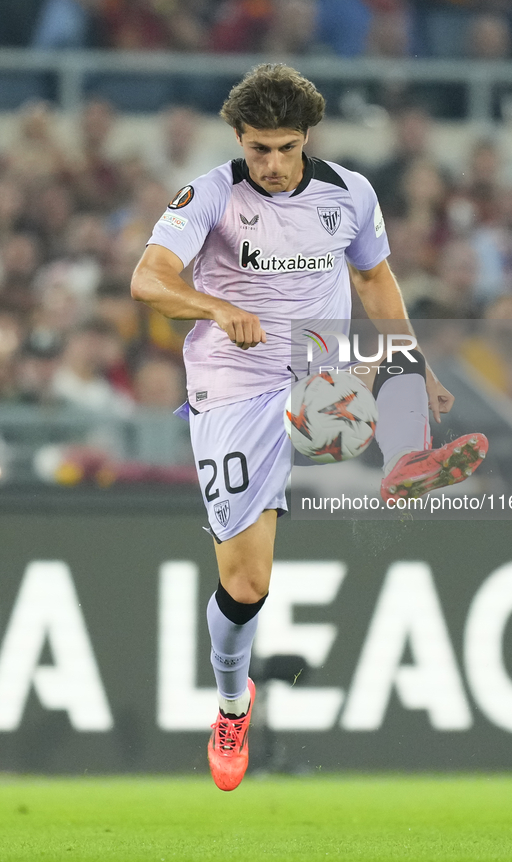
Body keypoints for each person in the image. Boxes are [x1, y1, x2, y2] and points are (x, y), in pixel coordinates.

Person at [130, 63, 487, 792]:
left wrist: (413, 363)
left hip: (309, 368)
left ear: (307, 139)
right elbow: (148, 278)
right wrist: (211, 306)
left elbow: (373, 281)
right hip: (230, 391)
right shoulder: (209, 195)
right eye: (257, 148)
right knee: (248, 583)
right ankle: (232, 705)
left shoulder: (349, 194)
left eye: (285, 148)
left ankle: (407, 452)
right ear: (238, 139)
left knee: (365, 382)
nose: (271, 164)